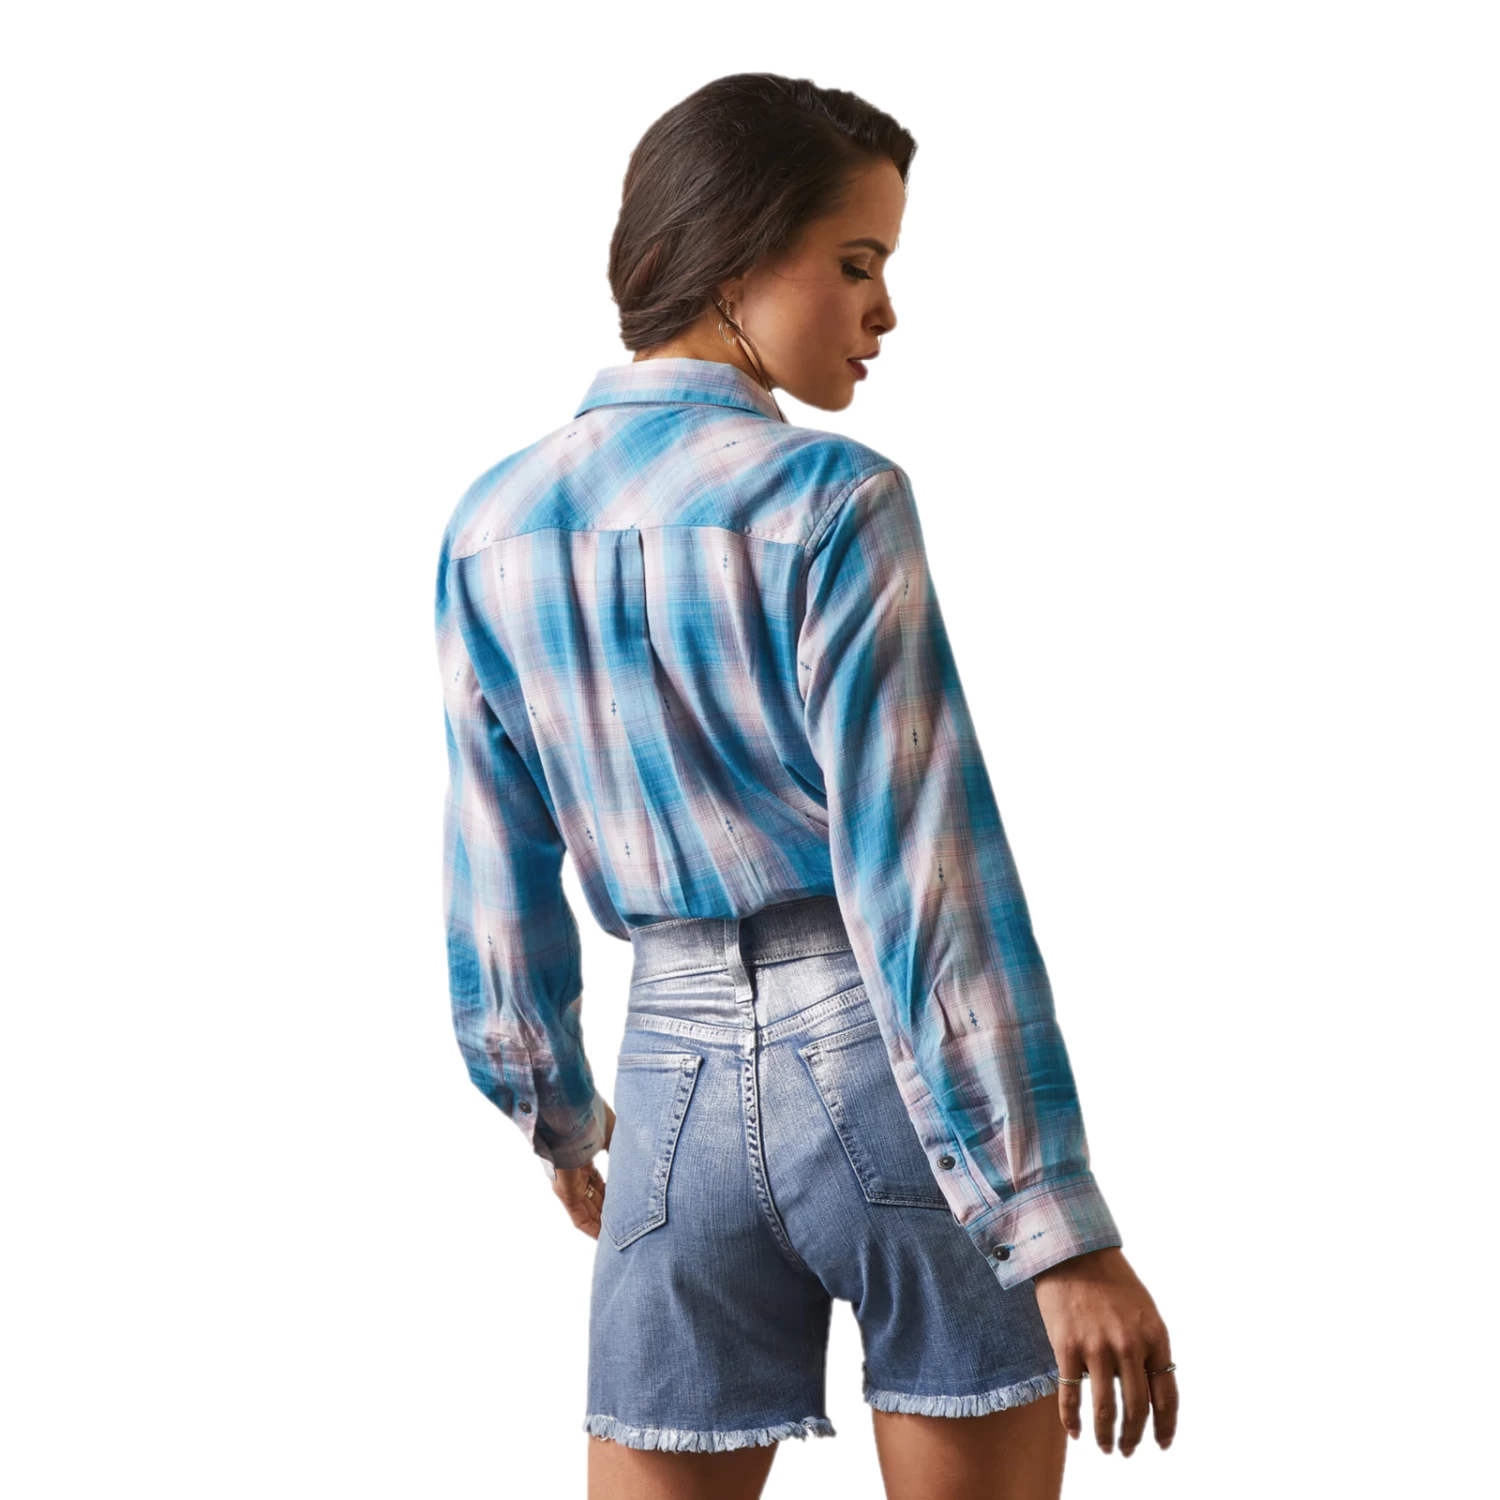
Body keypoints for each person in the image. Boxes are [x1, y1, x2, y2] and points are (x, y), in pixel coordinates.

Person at [434, 72, 1178, 1500]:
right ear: (731, 257)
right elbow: (924, 875)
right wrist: (1056, 1223)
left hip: (664, 1100)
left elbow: (492, 880)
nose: (884, 311)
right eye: (856, 264)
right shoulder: (833, 502)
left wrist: (556, 1112)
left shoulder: (493, 526)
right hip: (887, 1078)